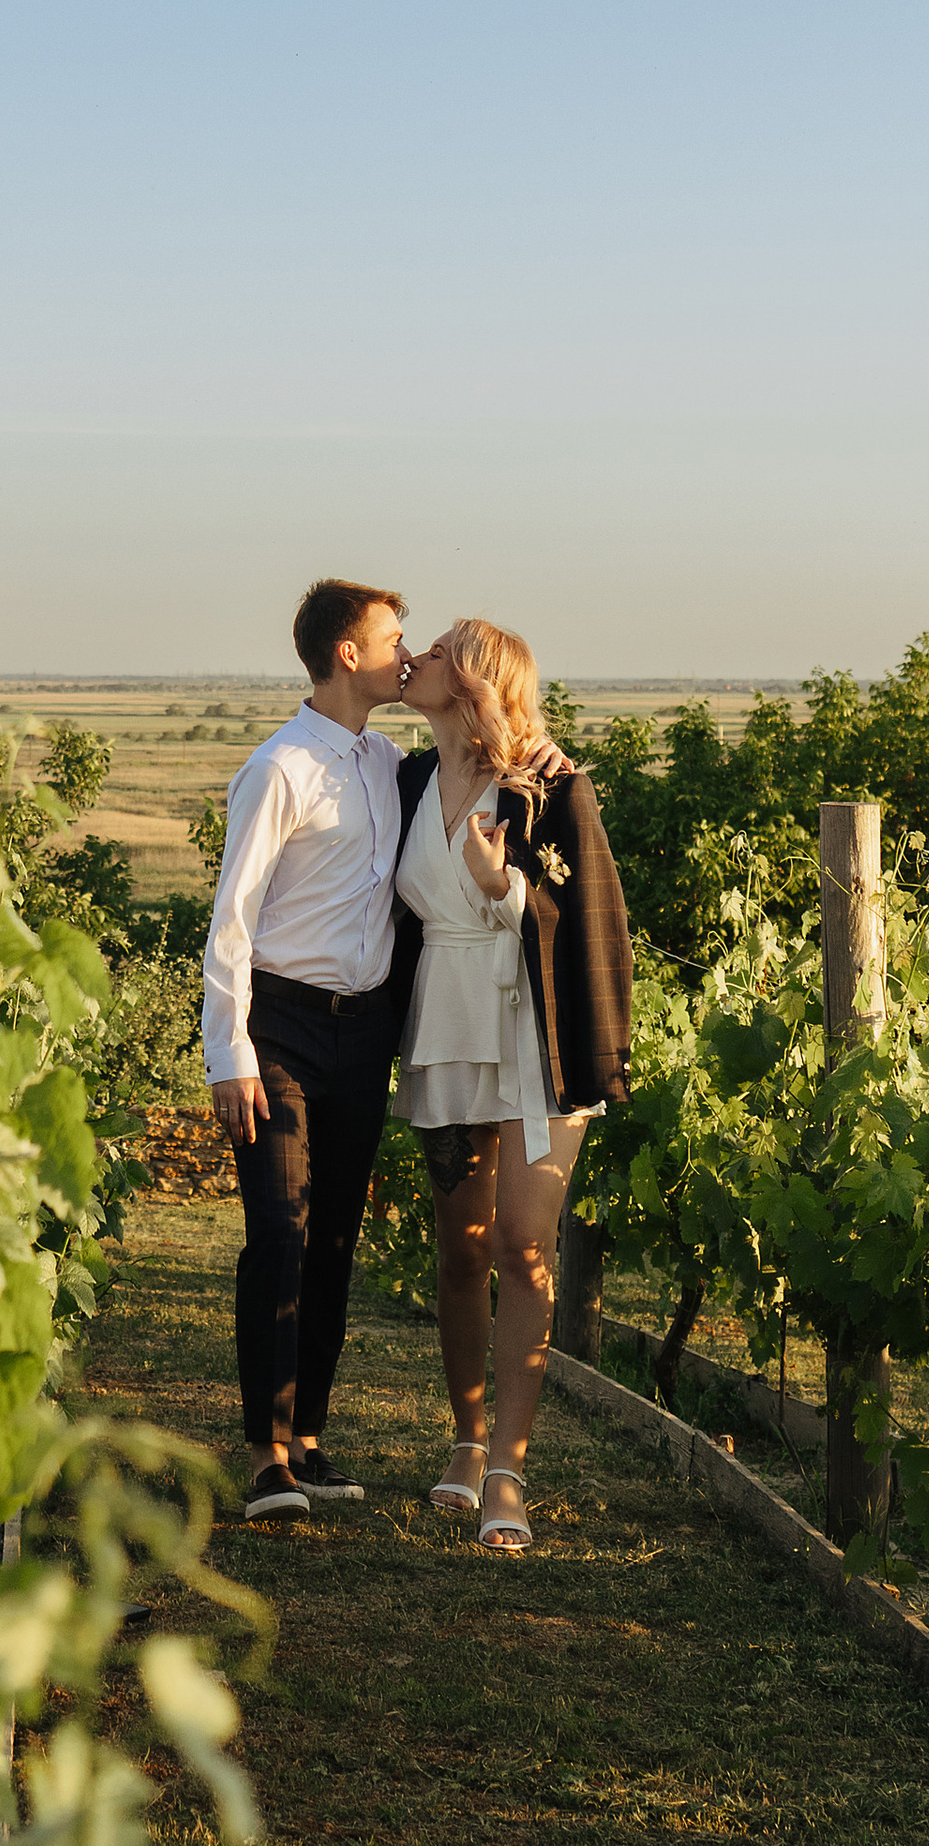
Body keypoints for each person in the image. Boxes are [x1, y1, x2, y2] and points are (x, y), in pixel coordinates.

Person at [392, 618, 632, 1556]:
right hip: (446, 1027)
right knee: (461, 1247)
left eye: (441, 648)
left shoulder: (552, 786)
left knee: (527, 1247)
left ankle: (508, 1469)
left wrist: (504, 887)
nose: (417, 658)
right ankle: (463, 1437)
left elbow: (581, 917)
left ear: (476, 679)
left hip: (536, 1034)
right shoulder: (405, 777)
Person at [203, 578, 413, 1521]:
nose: (406, 654)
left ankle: (312, 1441)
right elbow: (233, 920)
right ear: (347, 654)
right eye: (393, 638)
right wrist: (229, 1055)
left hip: (365, 1032)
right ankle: (264, 1459)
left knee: (334, 1236)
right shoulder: (279, 768)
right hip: (279, 1028)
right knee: (279, 1235)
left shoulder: (389, 761)